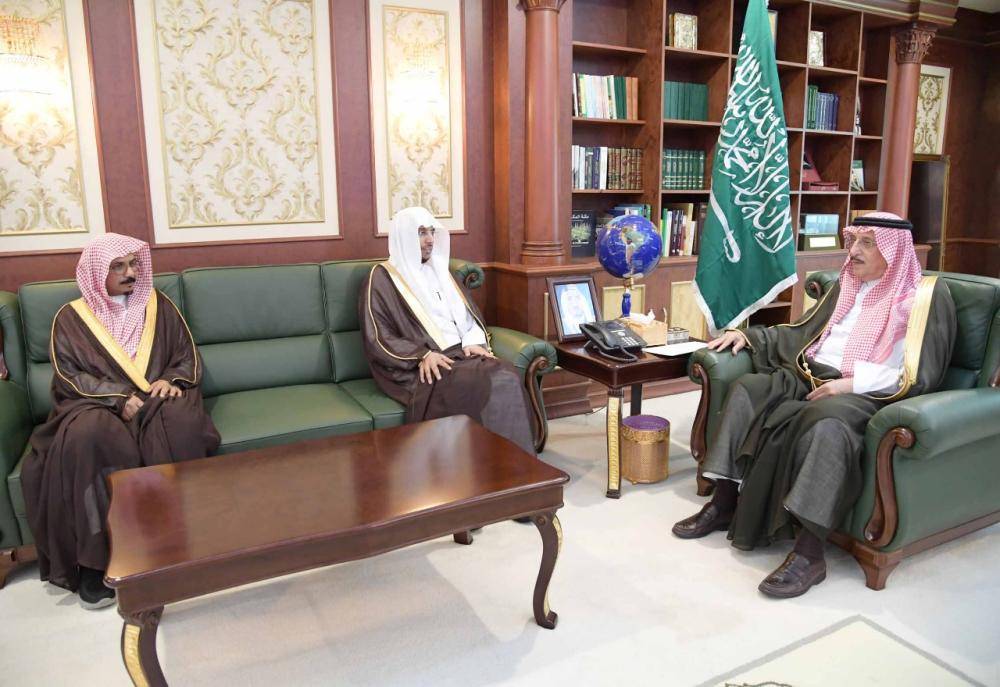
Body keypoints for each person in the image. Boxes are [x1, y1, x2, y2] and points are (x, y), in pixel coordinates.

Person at [672, 212, 956, 598]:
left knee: (826, 426)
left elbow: (920, 373)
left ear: (894, 251)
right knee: (748, 389)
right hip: (809, 374)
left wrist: (849, 385)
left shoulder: (922, 299)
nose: (853, 251)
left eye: (867, 243)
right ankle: (724, 502)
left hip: (866, 392)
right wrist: (751, 336)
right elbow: (802, 332)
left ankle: (809, 554)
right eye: (853, 241)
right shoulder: (846, 286)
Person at [22, 234, 220, 609]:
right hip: (96, 404)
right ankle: (96, 562)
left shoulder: (158, 305)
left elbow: (185, 354)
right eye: (119, 266)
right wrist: (117, 397)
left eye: (134, 264)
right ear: (97, 272)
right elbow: (69, 375)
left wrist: (172, 380)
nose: (131, 273)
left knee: (180, 421)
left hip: (153, 400)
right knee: (87, 436)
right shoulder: (71, 318)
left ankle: (179, 546)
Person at [360, 206, 536, 455]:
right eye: (422, 233)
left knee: (506, 372)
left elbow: (467, 317)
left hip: (460, 354)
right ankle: (486, 463)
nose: (430, 240)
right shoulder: (381, 278)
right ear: (403, 236)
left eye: (432, 232)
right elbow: (378, 336)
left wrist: (473, 341)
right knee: (479, 382)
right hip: (422, 366)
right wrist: (422, 355)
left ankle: (516, 462)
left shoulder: (442, 271)